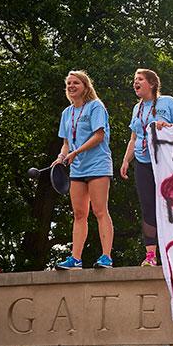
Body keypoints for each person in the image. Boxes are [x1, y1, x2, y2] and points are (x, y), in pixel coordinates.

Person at [120, 68, 173, 266]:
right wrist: (125, 160)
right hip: (143, 162)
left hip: (166, 161)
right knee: (148, 206)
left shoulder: (168, 102)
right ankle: (150, 255)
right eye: (134, 79)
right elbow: (134, 137)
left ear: (152, 83)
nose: (135, 82)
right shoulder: (136, 108)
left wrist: (167, 127)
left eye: (139, 79)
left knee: (171, 205)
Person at [54, 70, 114, 270]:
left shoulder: (95, 107)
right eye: (69, 83)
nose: (71, 86)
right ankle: (75, 259)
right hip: (77, 168)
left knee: (99, 210)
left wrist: (76, 152)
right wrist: (61, 157)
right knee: (79, 214)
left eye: (76, 83)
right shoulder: (66, 113)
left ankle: (106, 257)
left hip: (98, 164)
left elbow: (99, 135)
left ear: (85, 86)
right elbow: (66, 143)